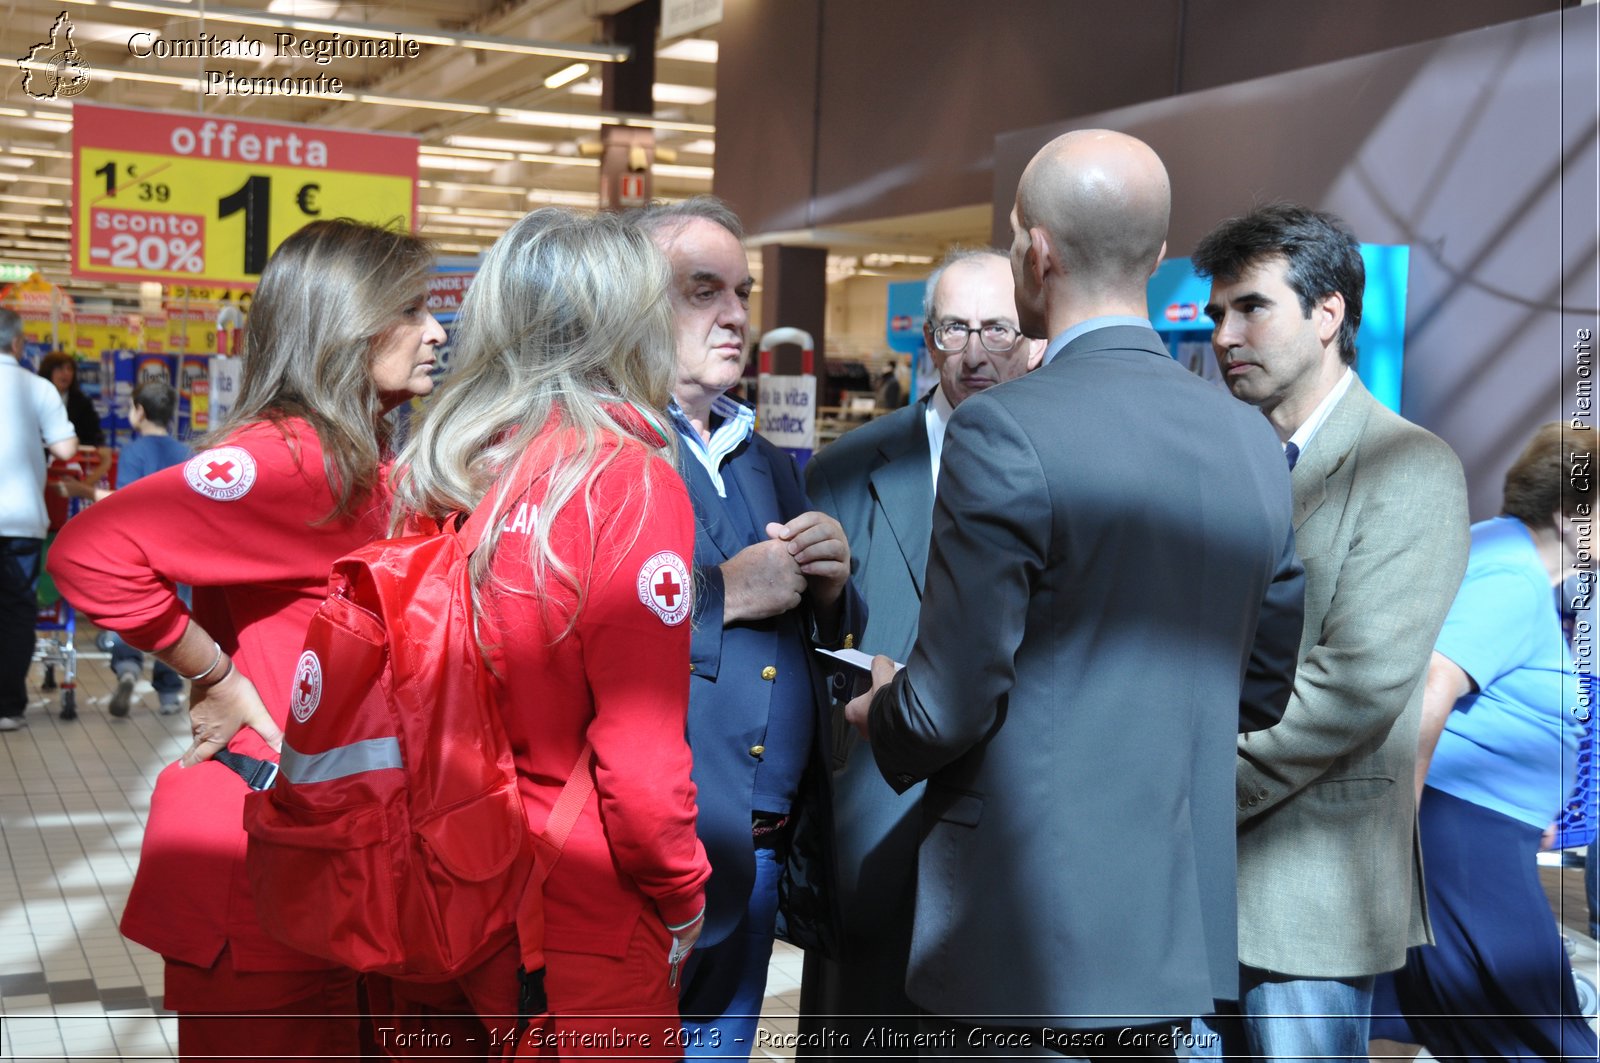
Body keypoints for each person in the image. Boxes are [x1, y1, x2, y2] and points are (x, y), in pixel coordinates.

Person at [844, 129, 1305, 1059]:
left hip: (1031, 931)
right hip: (1180, 924)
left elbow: (949, 701)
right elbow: (1261, 684)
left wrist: (881, 705)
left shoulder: (1004, 430)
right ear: (1160, 258)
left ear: (1036, 251)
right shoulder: (1252, 441)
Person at [47, 219, 444, 1061]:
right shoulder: (292, 461)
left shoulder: (362, 453)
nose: (438, 331)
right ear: (345, 323)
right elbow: (89, 553)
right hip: (262, 858)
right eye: (411, 309)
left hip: (325, 854)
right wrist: (215, 671)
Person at [378, 207, 713, 1058]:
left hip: (436, 885)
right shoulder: (621, 481)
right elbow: (638, 761)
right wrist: (683, 892)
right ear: (632, 321)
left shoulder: (438, 469)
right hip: (573, 914)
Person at [1187, 203, 1470, 1061]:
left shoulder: (1410, 465)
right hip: (1187, 884)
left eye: (1251, 307)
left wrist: (1189, 791)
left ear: (1328, 313)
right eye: (1216, 314)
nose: (1225, 333)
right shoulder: (1221, 461)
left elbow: (1354, 687)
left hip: (1308, 891)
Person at [634, 196, 865, 1059]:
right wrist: (722, 591)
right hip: (648, 853)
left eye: (742, 290)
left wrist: (836, 584)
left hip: (759, 850)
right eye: (703, 291)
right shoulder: (604, 447)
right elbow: (571, 621)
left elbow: (810, 628)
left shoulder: (764, 457)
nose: (736, 315)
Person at [799, 248, 1043, 1054]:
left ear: (1034, 336)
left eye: (1000, 327)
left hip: (1019, 833)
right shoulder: (845, 469)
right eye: (955, 327)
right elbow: (806, 649)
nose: (977, 351)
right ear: (926, 339)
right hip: (875, 827)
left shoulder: (1070, 470)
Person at [1371, 422, 1599, 1061]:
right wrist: (1396, 823)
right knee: (1539, 1036)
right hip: (1462, 839)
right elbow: (1429, 690)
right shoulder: (1512, 578)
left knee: (1424, 1018)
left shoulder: (1501, 553)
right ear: (1568, 513)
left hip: (1474, 833)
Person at [61, 380, 192, 716]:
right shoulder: (185, 452)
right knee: (176, 621)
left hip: (141, 553)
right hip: (179, 554)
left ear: (139, 412)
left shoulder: (133, 452)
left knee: (134, 613)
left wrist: (84, 492)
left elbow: (126, 502)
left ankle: (129, 667)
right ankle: (168, 692)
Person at [0, 308, 76, 734]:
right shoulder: (38, 387)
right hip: (21, 518)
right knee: (15, 613)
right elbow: (66, 450)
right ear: (16, 343)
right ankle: (8, 706)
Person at [38, 349, 106, 447]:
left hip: (73, 456)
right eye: (60, 369)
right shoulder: (36, 398)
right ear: (48, 372)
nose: (66, 373)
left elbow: (94, 435)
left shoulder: (82, 402)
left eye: (69, 369)